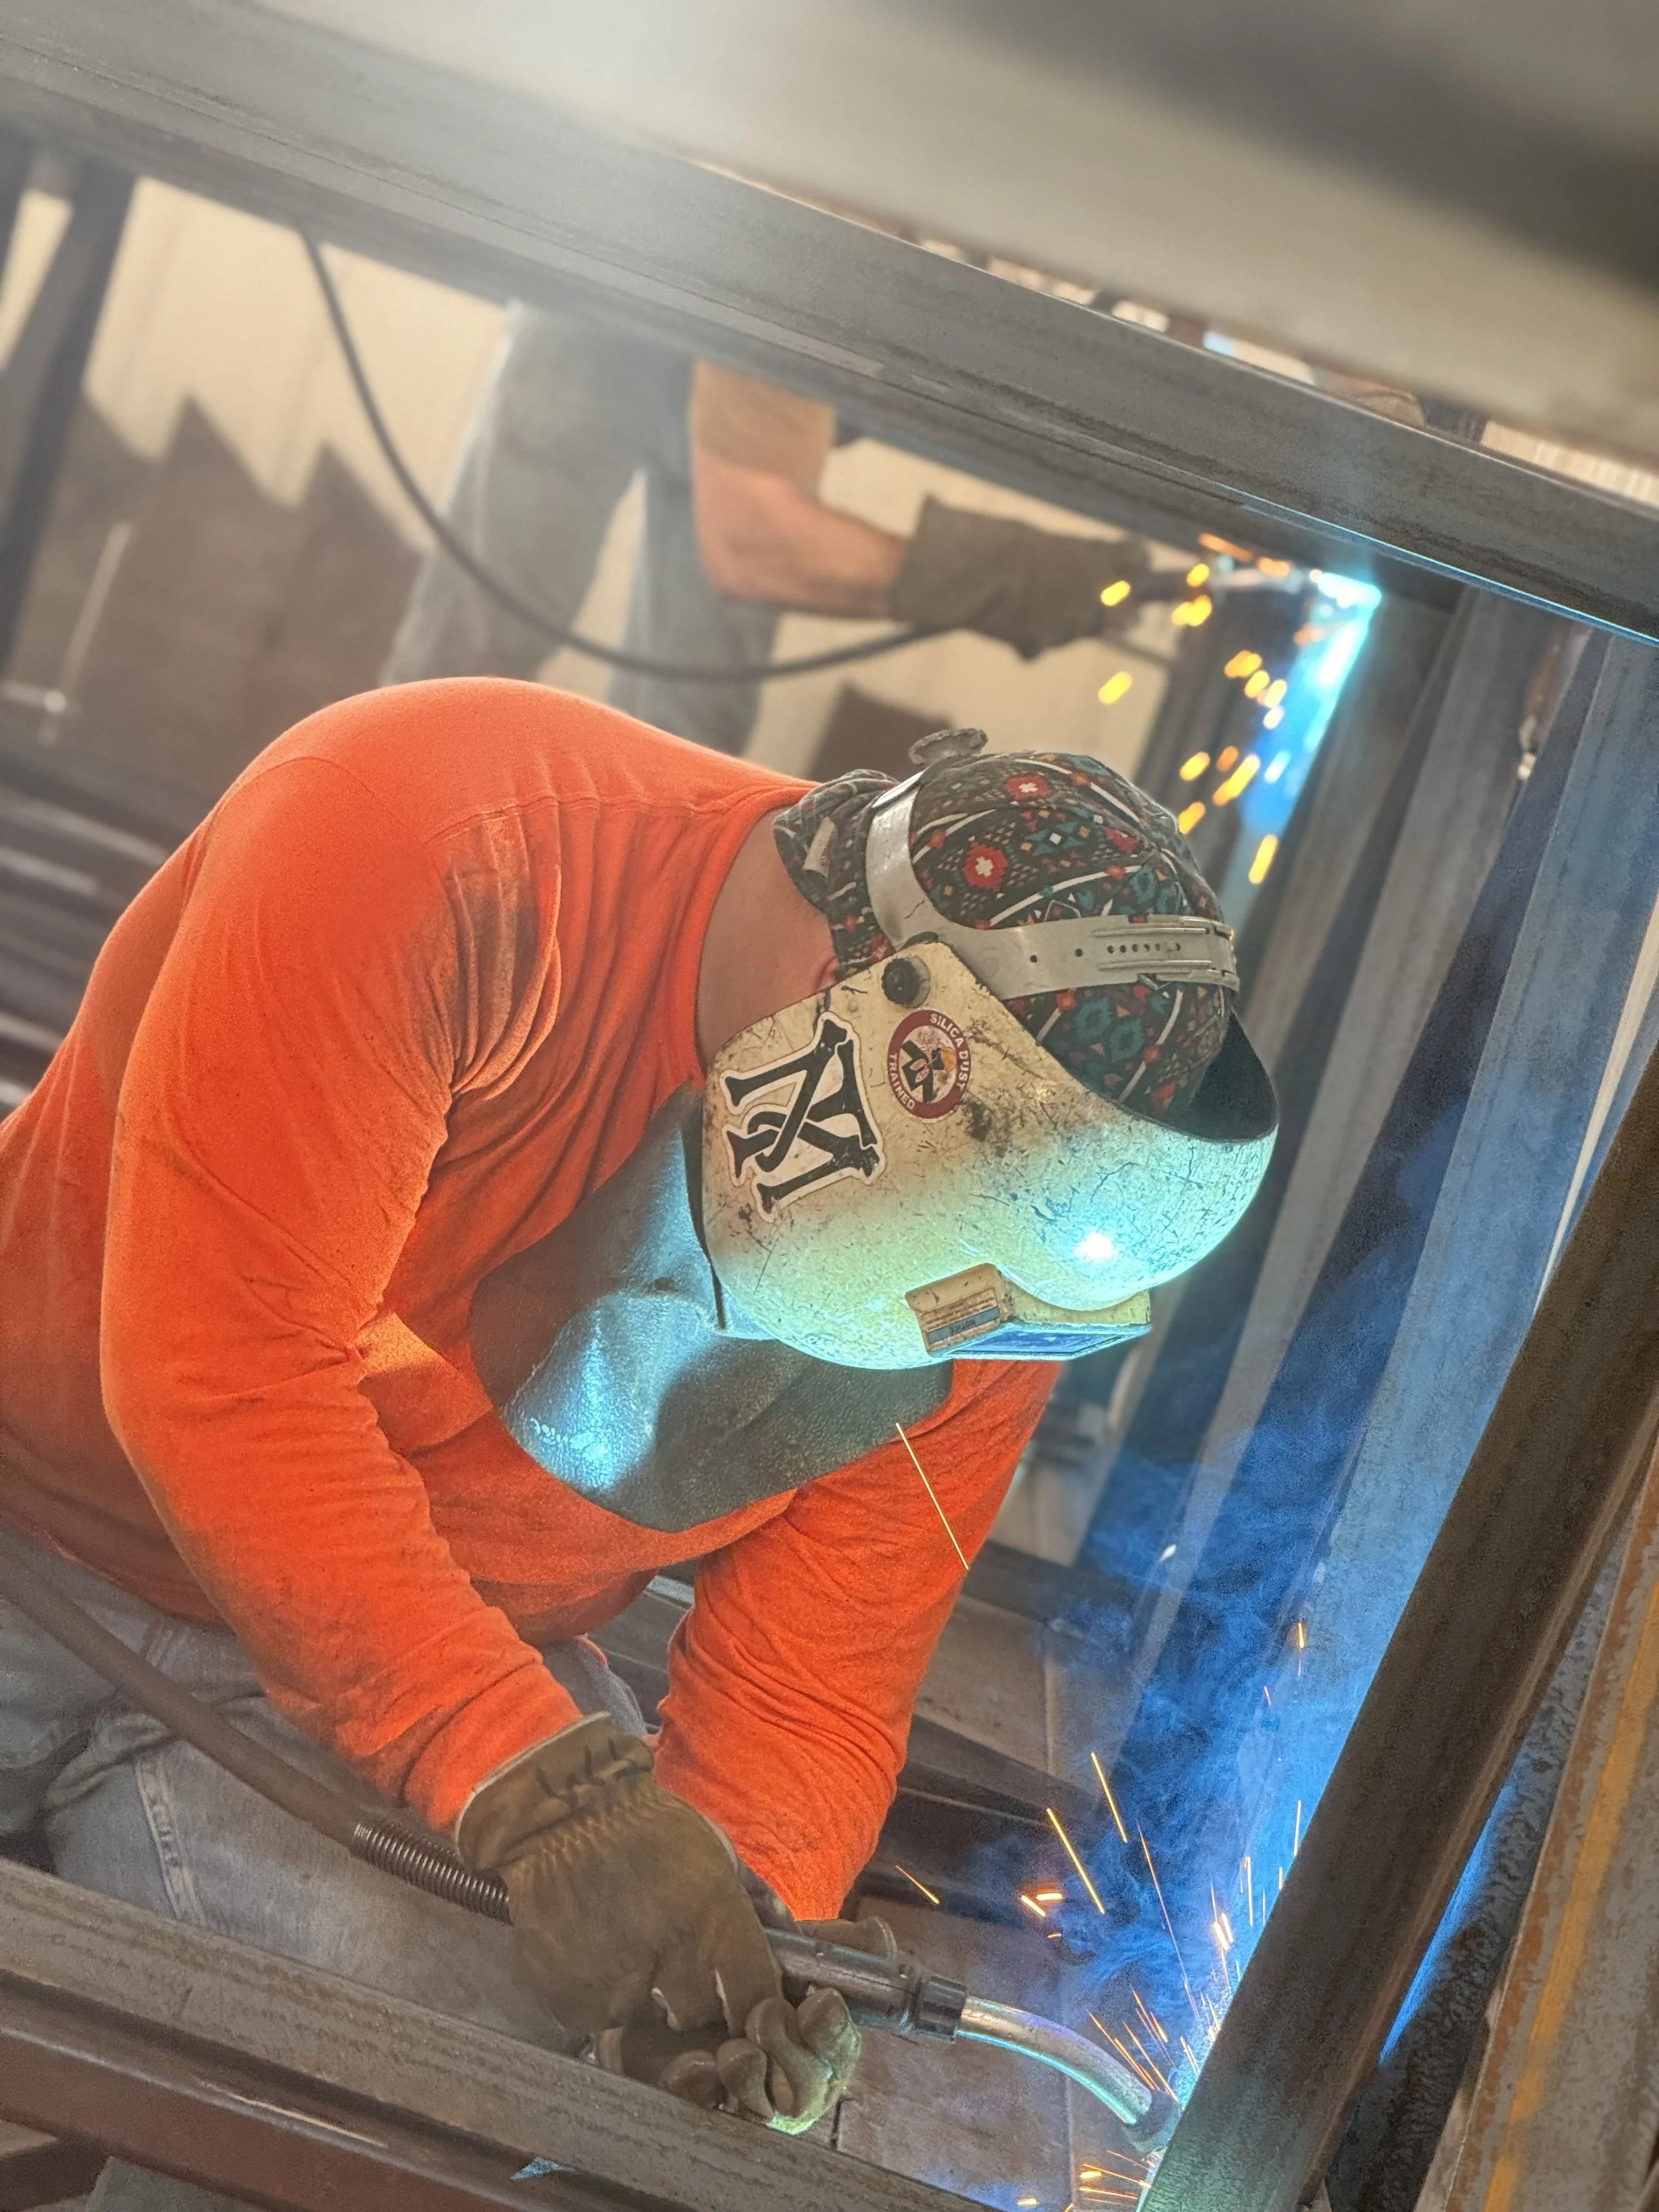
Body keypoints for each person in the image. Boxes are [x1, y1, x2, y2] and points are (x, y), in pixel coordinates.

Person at [0, 688, 1274, 2194]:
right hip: (36, 1512)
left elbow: (810, 1688)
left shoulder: (1002, 1278)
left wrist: (731, 1953)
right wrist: (540, 1790)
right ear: (874, 1031)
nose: (948, 1324)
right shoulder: (440, 842)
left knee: (501, 2104)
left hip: (390, 1671)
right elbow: (224, 1374)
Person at [382, 309, 1153, 752]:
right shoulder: (842, 213)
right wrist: (1016, 578)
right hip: (602, 331)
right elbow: (758, 547)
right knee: (453, 682)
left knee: (684, 748)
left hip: (748, 390)